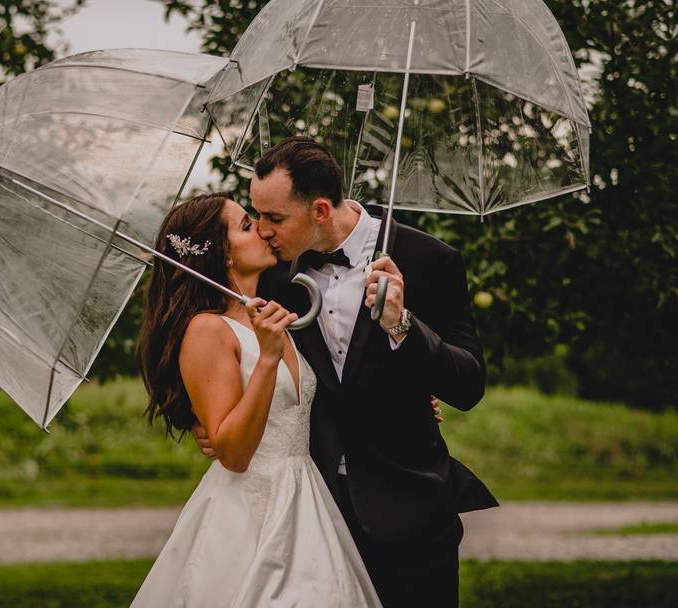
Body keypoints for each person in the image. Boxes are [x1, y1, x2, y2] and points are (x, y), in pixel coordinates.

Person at [193, 137, 498, 607]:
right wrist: (205, 420)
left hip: (411, 509)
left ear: (318, 211)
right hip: (312, 516)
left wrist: (403, 325)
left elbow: (467, 384)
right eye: (257, 217)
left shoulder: (428, 260)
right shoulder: (270, 274)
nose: (264, 231)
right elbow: (215, 341)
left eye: (274, 219)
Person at [133, 192, 382, 607]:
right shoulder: (207, 330)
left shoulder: (272, 312)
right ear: (224, 256)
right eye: (247, 226)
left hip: (307, 495)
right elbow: (233, 453)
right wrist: (267, 358)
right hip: (251, 510)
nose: (263, 230)